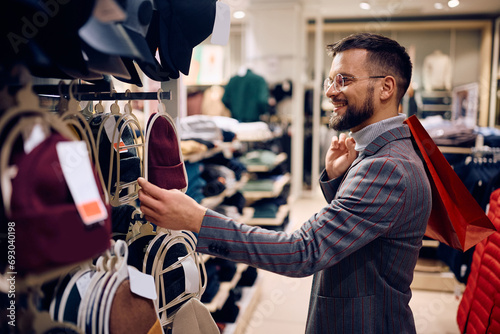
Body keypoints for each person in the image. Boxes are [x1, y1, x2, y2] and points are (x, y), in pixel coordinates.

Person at [138, 32, 432, 333]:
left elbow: (303, 251)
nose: (331, 92)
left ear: (386, 87)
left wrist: (197, 219)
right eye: (330, 81)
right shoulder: (381, 153)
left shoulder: (387, 166)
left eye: (344, 79)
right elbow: (356, 237)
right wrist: (336, 180)